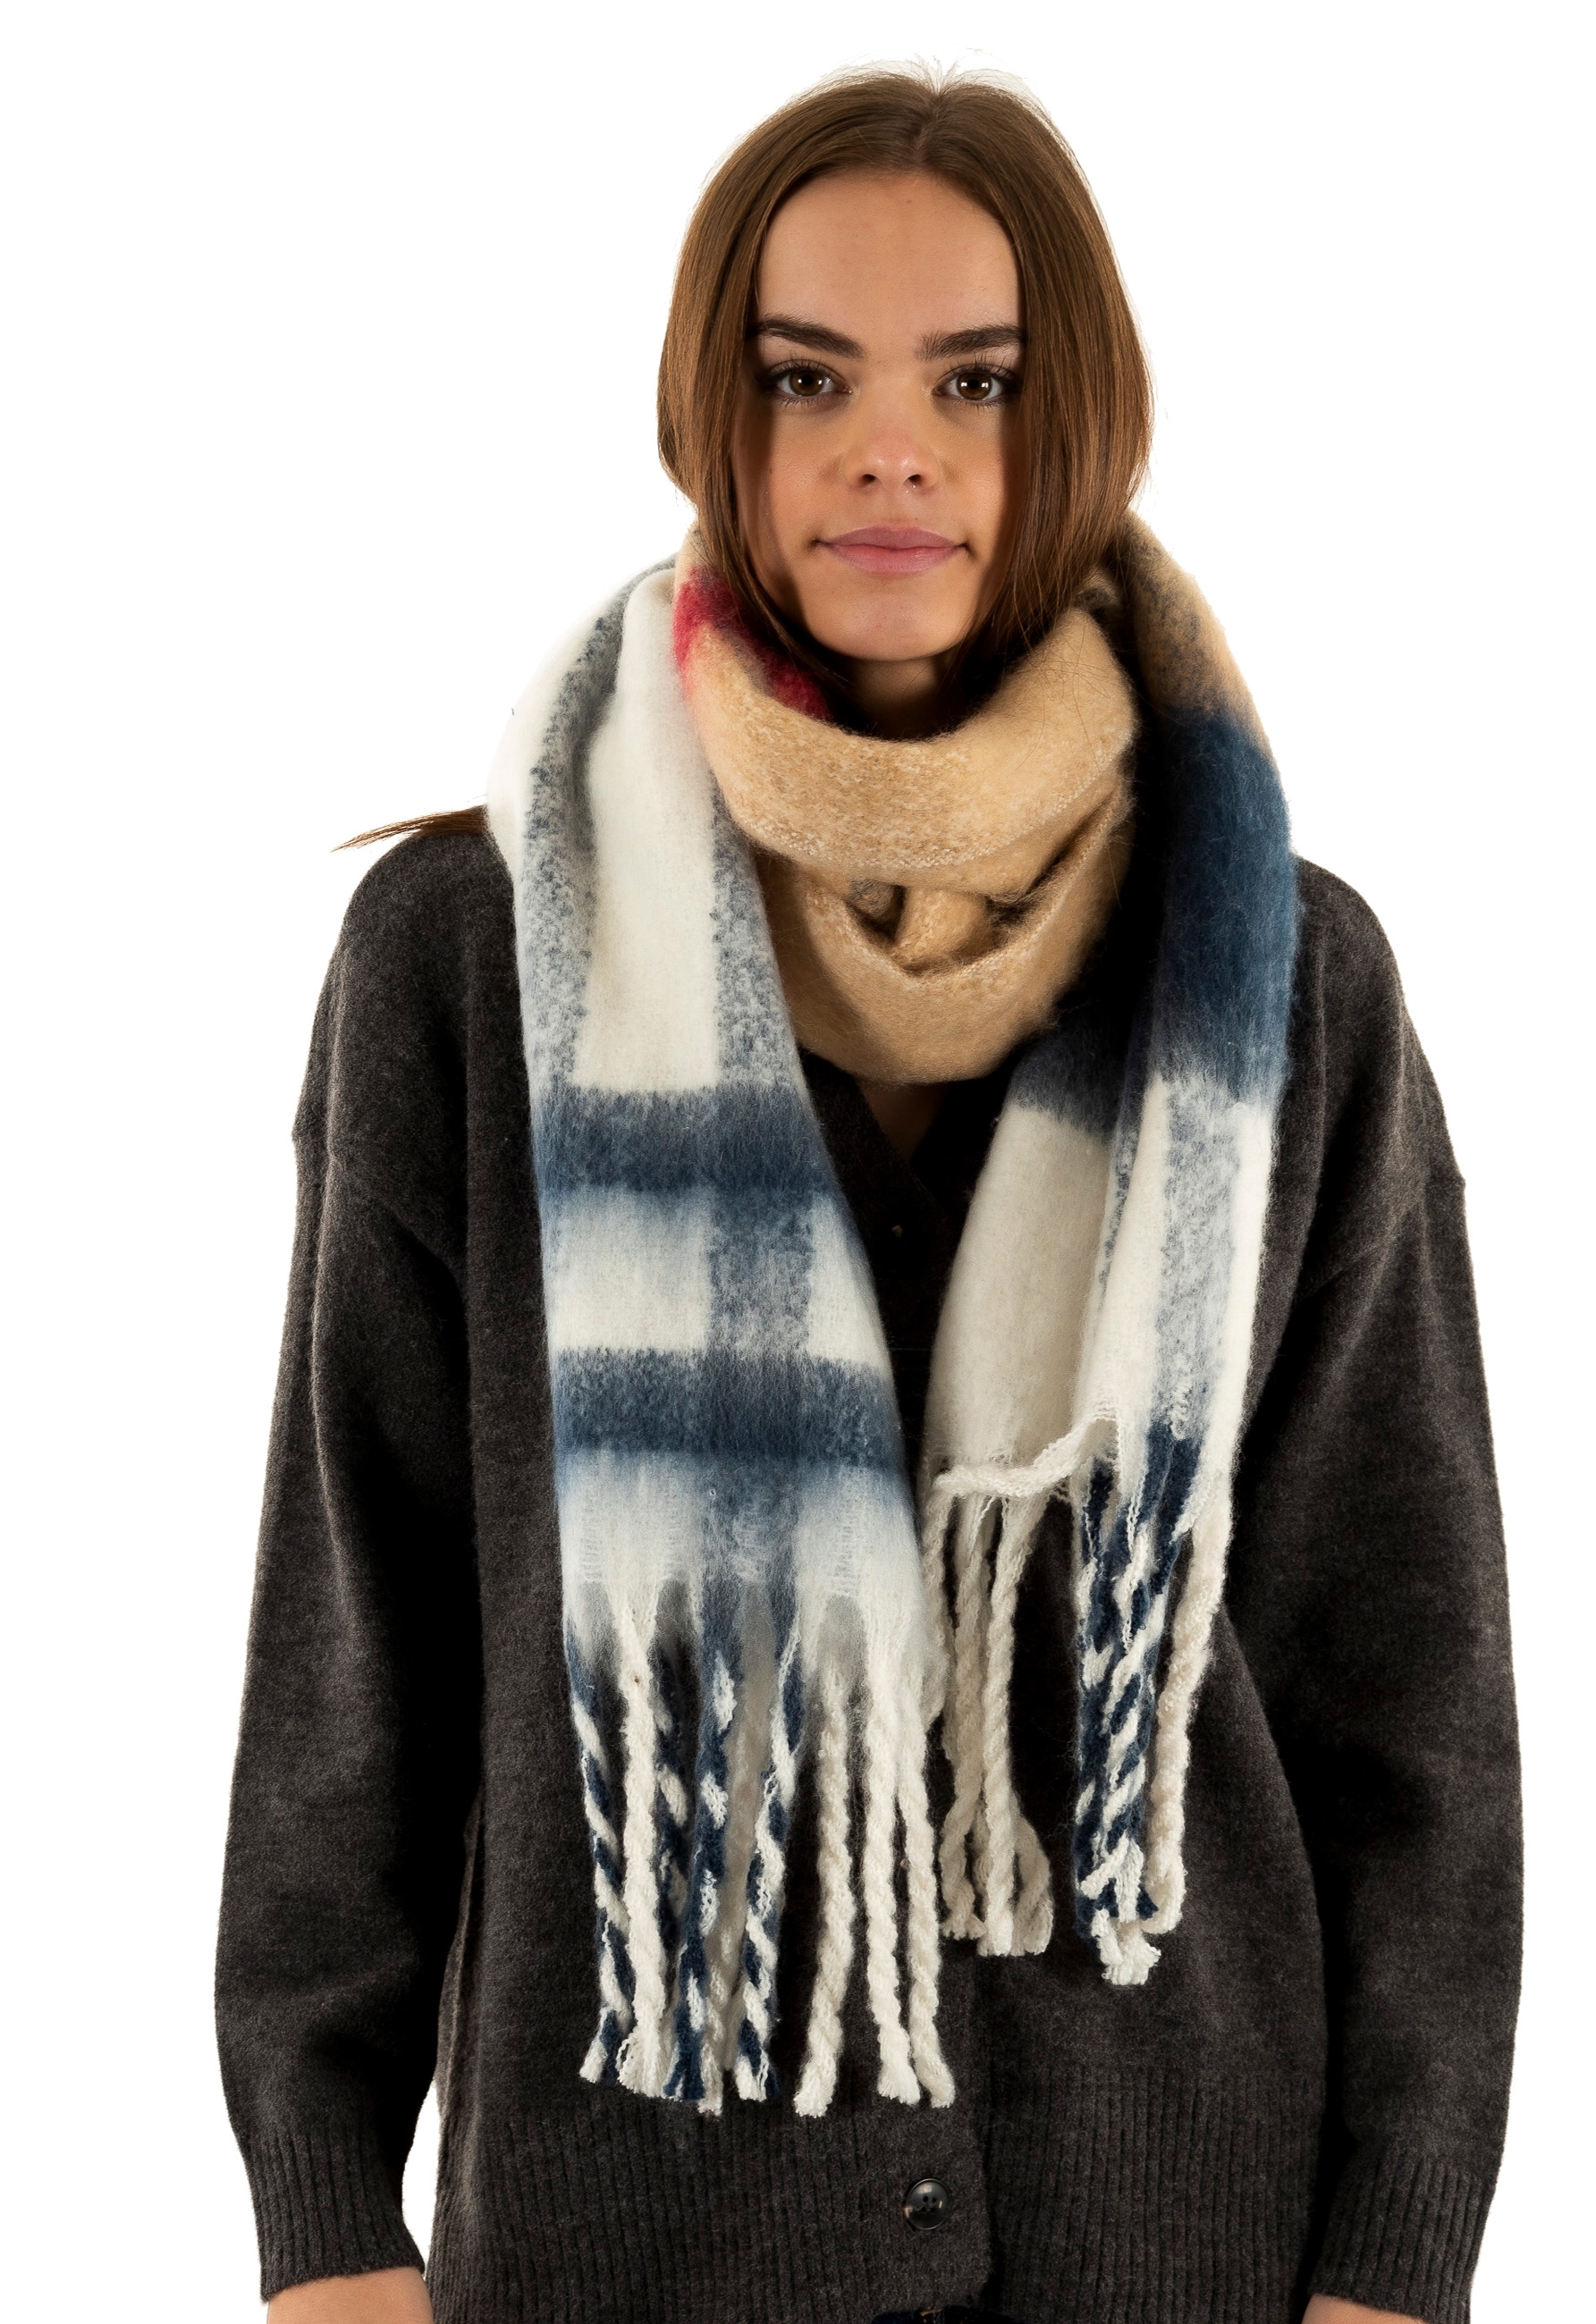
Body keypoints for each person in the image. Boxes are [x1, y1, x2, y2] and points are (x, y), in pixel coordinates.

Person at [215, 64, 1521, 2324]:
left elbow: (1407, 1684)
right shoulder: (472, 962)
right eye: (805, 376)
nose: (889, 449)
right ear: (709, 414)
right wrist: (323, 2213)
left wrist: (1401, 2258)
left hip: (1180, 2255)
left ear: (1077, 416)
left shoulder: (1281, 977)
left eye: (975, 382)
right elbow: (362, 1627)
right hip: (630, 2250)